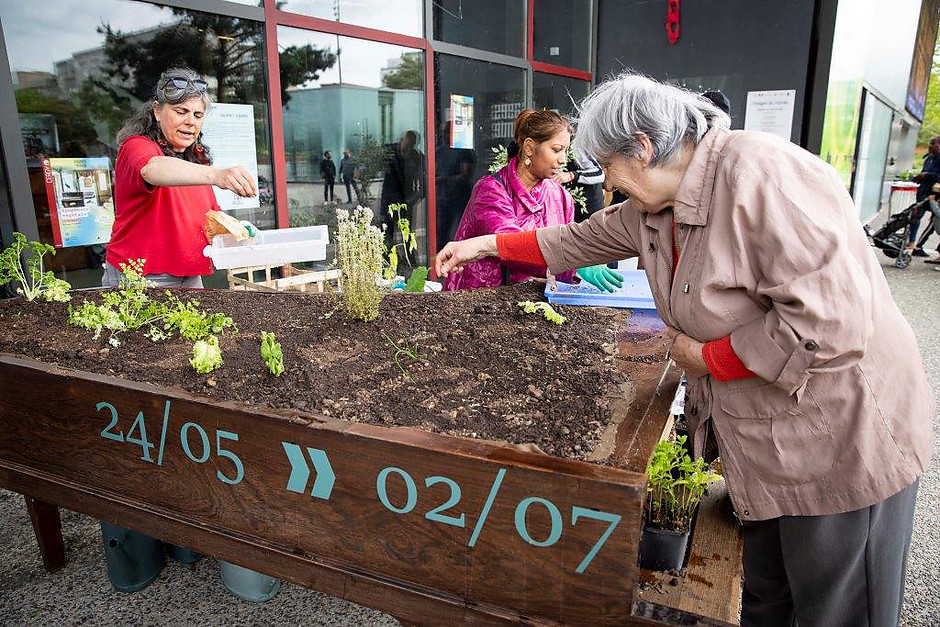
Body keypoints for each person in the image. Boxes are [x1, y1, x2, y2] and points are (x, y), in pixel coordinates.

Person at [436, 73, 932, 626]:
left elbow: (830, 321)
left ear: (644, 148)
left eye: (611, 168)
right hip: (770, 443)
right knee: (770, 599)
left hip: (838, 434)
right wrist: (482, 242)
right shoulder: (660, 200)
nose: (611, 184)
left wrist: (708, 358)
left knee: (837, 608)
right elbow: (574, 240)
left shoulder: (763, 176)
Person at [105, 67, 257, 289]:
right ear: (157, 111)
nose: (190, 122)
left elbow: (210, 220)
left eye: (198, 115)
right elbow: (152, 169)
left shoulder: (195, 160)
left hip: (190, 274)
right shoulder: (137, 146)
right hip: (142, 276)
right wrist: (217, 175)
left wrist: (239, 230)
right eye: (181, 111)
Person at [442, 109, 622, 292]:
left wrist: (584, 257)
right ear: (529, 147)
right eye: (556, 150)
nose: (563, 160)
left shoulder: (561, 196)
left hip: (540, 302)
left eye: (566, 151)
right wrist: (574, 264)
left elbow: (566, 242)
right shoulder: (491, 190)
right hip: (483, 300)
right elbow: (511, 245)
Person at [380, 130, 426, 249]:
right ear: (401, 140)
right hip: (388, 199)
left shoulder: (417, 157)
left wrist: (414, 199)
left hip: (406, 200)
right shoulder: (388, 152)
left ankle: (408, 259)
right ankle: (387, 257)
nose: (408, 149)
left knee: (407, 232)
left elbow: (424, 182)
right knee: (386, 231)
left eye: (411, 146)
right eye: (407, 145)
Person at [555, 144, 605, 221]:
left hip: (590, 209)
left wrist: (571, 175)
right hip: (565, 210)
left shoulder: (578, 145)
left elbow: (599, 173)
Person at [909, 136, 940, 257]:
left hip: (934, 195)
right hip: (923, 192)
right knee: (915, 216)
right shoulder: (928, 158)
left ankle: (918, 245)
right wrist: (920, 177)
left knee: (934, 222)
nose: (930, 146)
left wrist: (926, 175)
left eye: (932, 143)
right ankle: (912, 242)